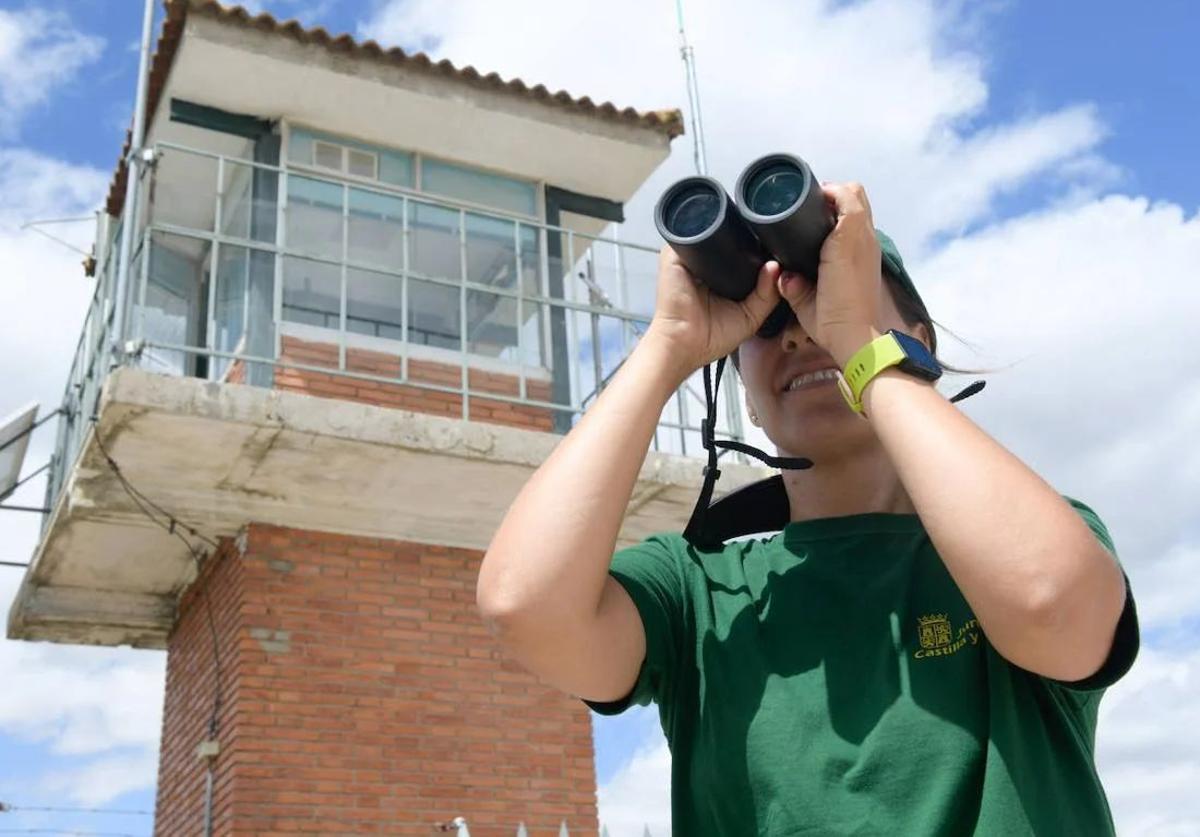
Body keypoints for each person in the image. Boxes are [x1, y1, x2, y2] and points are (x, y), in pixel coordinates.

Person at [476, 182, 1138, 835]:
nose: (799, 332)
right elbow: (525, 605)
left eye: (827, 299)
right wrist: (669, 342)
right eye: (768, 324)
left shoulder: (1031, 539)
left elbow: (1050, 598)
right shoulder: (699, 595)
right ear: (749, 401)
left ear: (919, 342)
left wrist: (859, 347)